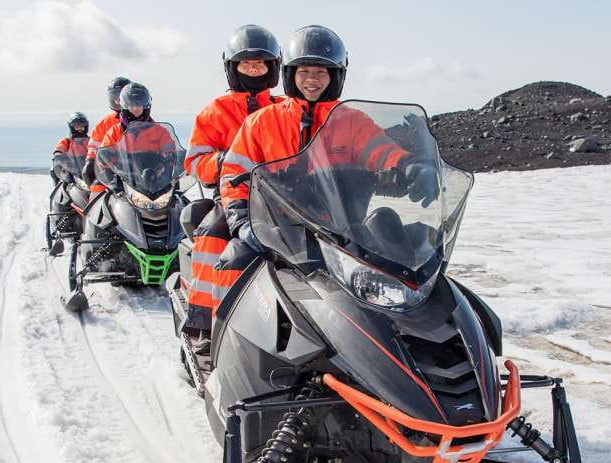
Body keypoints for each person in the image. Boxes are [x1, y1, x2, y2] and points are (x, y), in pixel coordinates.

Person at [211, 25, 437, 311]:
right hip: (276, 232)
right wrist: (243, 222)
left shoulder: (350, 120)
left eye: (321, 72)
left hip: (341, 233)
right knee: (235, 269)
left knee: (398, 264)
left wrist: (409, 165)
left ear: (336, 75)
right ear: (290, 74)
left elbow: (380, 150)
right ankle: (213, 333)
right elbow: (233, 175)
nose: (312, 80)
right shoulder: (261, 123)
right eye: (304, 71)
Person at [181, 25, 282, 343]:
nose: (254, 69)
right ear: (233, 68)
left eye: (260, 63)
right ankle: (205, 324)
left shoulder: (282, 108)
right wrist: (223, 161)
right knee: (212, 234)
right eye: (246, 63)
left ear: (273, 67)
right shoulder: (215, 112)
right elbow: (194, 163)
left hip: (282, 197)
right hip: (231, 197)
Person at [92, 82, 157, 194]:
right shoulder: (113, 130)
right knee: (98, 199)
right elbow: (101, 157)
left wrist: (165, 168)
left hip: (153, 183)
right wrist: (112, 177)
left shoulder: (158, 130)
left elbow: (171, 154)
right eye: (132, 104)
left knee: (180, 204)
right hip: (121, 184)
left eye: (139, 104)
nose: (136, 108)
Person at [83, 76, 132, 195]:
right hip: (111, 171)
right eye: (115, 97)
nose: (118, 101)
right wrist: (90, 160)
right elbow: (94, 146)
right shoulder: (105, 123)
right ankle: (92, 213)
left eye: (121, 97)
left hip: (137, 170)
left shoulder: (143, 121)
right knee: (97, 190)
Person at [51, 112, 90, 185]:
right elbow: (59, 149)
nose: (80, 129)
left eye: (82, 126)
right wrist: (58, 154)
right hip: (73, 171)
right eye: (77, 127)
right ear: (72, 127)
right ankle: (59, 191)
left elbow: (98, 149)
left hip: (89, 171)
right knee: (56, 173)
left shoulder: (91, 141)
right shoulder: (66, 141)